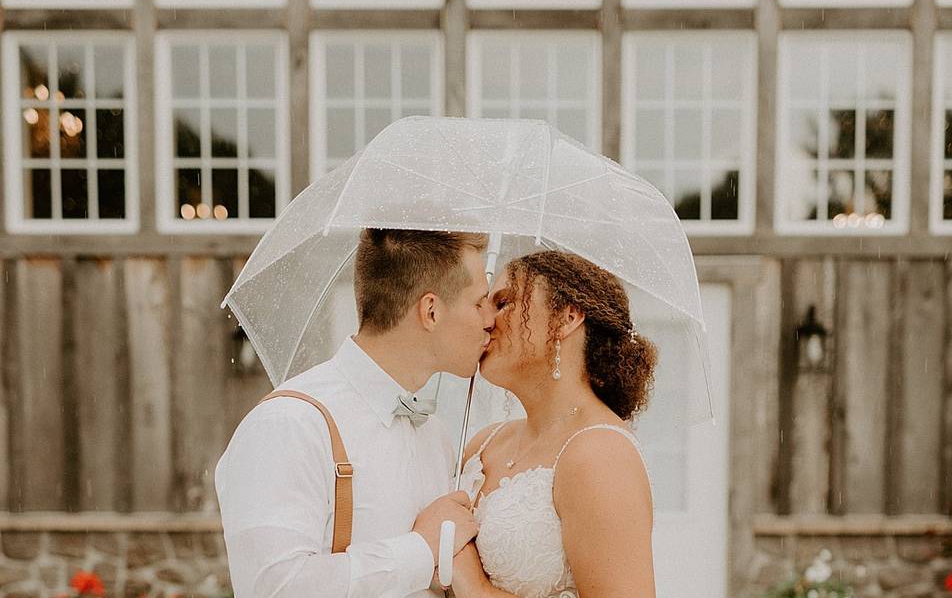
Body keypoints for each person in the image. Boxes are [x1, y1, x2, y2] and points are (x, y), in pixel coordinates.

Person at [215, 228, 497, 597]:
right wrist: (420, 549)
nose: (490, 318)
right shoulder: (289, 424)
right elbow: (273, 588)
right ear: (430, 311)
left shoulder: (435, 434)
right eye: (479, 302)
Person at [451, 250, 658, 598]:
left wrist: (476, 589)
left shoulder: (600, 454)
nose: (487, 320)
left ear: (567, 318)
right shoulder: (485, 443)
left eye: (503, 303)